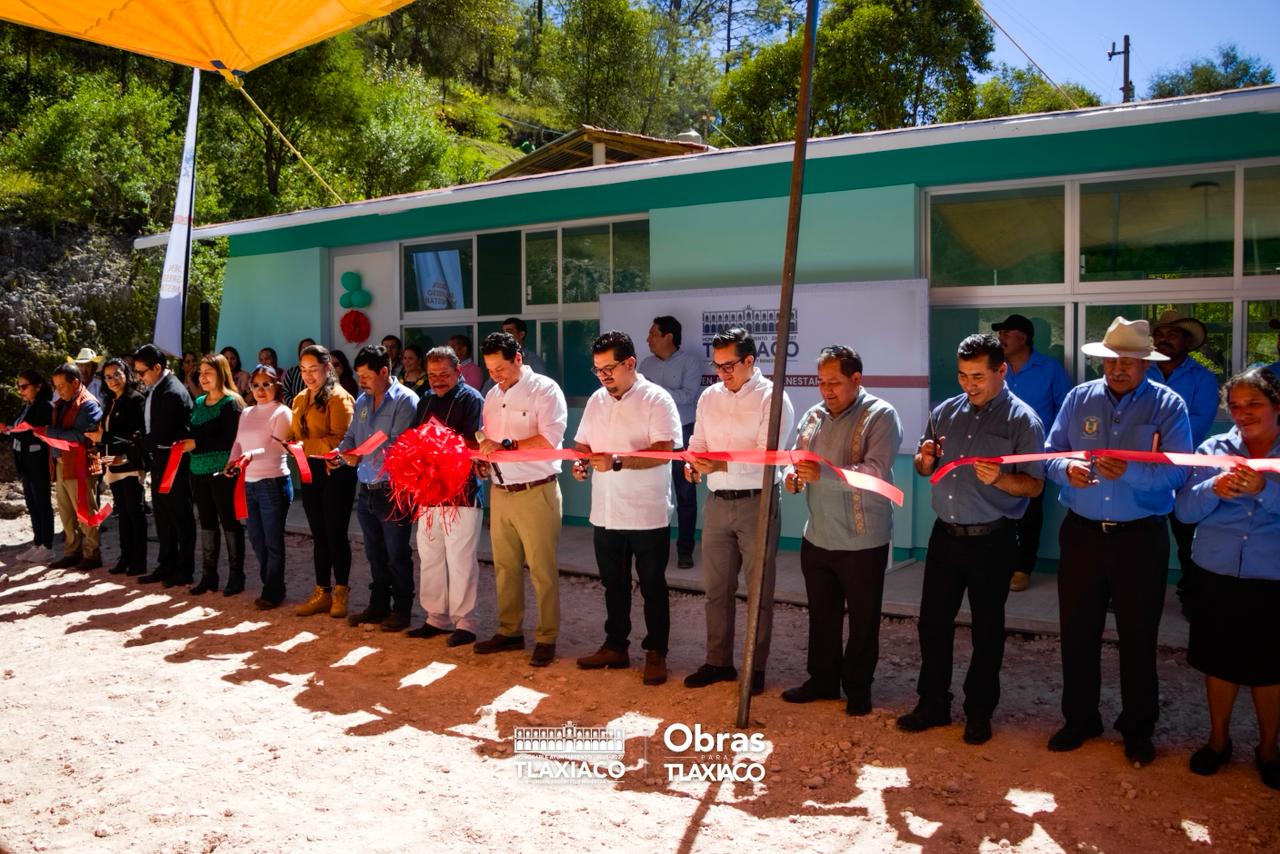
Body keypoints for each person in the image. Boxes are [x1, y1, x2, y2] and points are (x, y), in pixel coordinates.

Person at [1044, 316, 1192, 766]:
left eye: (1128, 361)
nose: (1117, 369)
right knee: (1078, 631)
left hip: (1139, 539)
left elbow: (1180, 470)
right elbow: (1050, 454)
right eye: (1110, 360)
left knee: (1138, 635)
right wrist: (1064, 469)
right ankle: (1081, 718)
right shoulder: (1078, 398)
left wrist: (1131, 470)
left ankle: (1137, 727)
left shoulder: (1169, 406)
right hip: (1083, 535)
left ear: (1145, 364)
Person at [898, 335, 1045, 744]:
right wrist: (924, 460)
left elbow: (1034, 487)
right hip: (945, 536)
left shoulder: (1022, 420)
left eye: (978, 376)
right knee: (933, 624)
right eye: (963, 375)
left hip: (991, 540)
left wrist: (1001, 477)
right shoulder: (945, 411)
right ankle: (932, 703)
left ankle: (979, 712)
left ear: (1002, 370)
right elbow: (925, 466)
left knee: (987, 630)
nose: (969, 384)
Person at [1174, 367, 1280, 788]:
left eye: (1253, 404)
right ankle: (1218, 741)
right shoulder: (1213, 449)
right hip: (1216, 572)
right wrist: (1212, 489)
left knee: (1271, 668)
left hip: (1271, 575)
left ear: (1277, 405)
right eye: (1234, 406)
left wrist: (1263, 490)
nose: (1242, 413)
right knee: (1218, 662)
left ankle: (1269, 749)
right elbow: (1183, 511)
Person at [781, 345, 901, 714]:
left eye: (835, 382)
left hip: (863, 539)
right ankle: (823, 681)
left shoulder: (881, 415)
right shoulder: (813, 416)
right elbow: (794, 458)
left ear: (856, 379)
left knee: (863, 619)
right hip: (817, 534)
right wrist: (791, 477)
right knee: (822, 615)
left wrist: (824, 475)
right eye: (821, 382)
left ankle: (859, 688)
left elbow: (875, 472)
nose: (826, 390)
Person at [683, 327, 794, 694]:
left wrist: (720, 466)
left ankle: (755, 668)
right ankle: (718, 662)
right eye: (717, 366)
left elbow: (768, 457)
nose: (722, 373)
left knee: (758, 589)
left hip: (757, 502)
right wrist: (694, 463)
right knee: (716, 589)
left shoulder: (773, 398)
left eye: (729, 366)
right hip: (716, 502)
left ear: (750, 360)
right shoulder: (709, 398)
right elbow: (698, 441)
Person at [573, 331, 682, 685]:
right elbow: (582, 443)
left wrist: (618, 461)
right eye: (597, 370)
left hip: (646, 511)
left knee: (652, 585)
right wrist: (581, 463)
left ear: (630, 363)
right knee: (613, 584)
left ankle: (656, 652)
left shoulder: (657, 398)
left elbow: (665, 449)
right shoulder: (596, 400)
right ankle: (615, 646)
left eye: (610, 368)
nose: (604, 376)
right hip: (605, 510)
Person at [475, 331, 568, 667]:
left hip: (536, 489)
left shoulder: (545, 389)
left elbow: (551, 439)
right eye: (489, 369)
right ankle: (510, 630)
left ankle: (547, 637)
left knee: (542, 570)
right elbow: (488, 437)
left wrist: (506, 447)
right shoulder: (490, 395)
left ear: (518, 359)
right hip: (500, 491)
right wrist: (486, 460)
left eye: (500, 368)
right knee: (504, 567)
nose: (494, 375)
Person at [405, 346, 485, 647]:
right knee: (430, 556)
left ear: (458, 372)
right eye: (433, 375)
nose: (438, 380)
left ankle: (466, 622)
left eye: (444, 375)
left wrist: (441, 440)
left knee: (461, 559)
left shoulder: (472, 399)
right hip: (428, 492)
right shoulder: (424, 400)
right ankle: (435, 617)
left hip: (461, 493)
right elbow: (413, 438)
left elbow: (476, 442)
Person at [337, 344, 420, 630]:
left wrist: (361, 451)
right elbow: (350, 436)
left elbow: (398, 444)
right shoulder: (361, 401)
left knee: (397, 552)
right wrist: (341, 453)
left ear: (384, 371)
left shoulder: (406, 400)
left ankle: (403, 610)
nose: (362, 381)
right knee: (374, 552)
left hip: (394, 489)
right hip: (367, 486)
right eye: (359, 375)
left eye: (367, 375)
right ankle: (378, 605)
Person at [1147, 310, 1221, 613]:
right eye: (1160, 334)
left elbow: (1199, 423)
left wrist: (1151, 436)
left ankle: (1191, 595)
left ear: (1187, 342)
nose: (1164, 340)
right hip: (1145, 469)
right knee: (1143, 536)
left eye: (1172, 335)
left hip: (1185, 470)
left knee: (1186, 535)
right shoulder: (1141, 371)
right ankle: (1137, 593)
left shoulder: (1203, 378)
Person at [992, 314, 1069, 593]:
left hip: (1035, 454)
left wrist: (1054, 448)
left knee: (1029, 512)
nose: (1001, 338)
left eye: (1006, 333)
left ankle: (1023, 567)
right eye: (999, 333)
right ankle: (999, 564)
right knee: (997, 510)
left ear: (1023, 337)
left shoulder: (1050, 369)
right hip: (997, 453)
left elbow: (1066, 411)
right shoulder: (996, 368)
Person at [290, 345, 357, 619]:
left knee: (335, 533)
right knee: (318, 534)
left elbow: (340, 440)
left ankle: (341, 591)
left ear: (327, 369)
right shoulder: (299, 398)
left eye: (313, 369)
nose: (308, 375)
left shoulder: (340, 398)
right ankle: (322, 591)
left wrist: (301, 445)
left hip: (336, 471)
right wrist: (291, 445)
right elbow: (294, 432)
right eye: (303, 370)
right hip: (310, 470)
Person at [640, 316, 704, 569]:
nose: (648, 339)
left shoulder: (690, 362)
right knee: (654, 492)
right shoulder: (644, 364)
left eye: (653, 334)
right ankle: (655, 550)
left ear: (669, 336)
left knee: (685, 494)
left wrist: (656, 391)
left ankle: (685, 550)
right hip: (651, 436)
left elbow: (688, 396)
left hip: (684, 434)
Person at [229, 364, 294, 609]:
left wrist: (249, 455)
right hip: (249, 482)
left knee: (272, 540)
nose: (260, 389)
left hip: (273, 482)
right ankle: (271, 582)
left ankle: (273, 589)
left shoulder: (282, 412)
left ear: (276, 385)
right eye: (255, 385)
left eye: (266, 384)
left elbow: (277, 446)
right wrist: (232, 462)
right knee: (256, 538)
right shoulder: (246, 413)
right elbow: (238, 443)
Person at [183, 354, 246, 595]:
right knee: (207, 522)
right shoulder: (199, 402)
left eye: (208, 372)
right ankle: (209, 575)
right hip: (198, 471)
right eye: (200, 373)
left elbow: (229, 440)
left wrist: (196, 444)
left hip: (223, 472)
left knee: (229, 522)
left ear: (221, 373)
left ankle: (236, 575)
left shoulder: (232, 403)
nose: (203, 377)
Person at [133, 344, 195, 586]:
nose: (139, 377)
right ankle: (166, 564)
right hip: (159, 460)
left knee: (180, 516)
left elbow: (162, 433)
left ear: (157, 368)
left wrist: (140, 444)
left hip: (174, 460)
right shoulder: (155, 387)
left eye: (142, 372)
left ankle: (184, 569)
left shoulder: (172, 391)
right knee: (162, 515)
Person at [86, 358, 148, 576]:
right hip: (112, 463)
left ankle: (139, 561)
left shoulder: (136, 399)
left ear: (127, 373)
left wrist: (104, 436)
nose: (113, 380)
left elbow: (136, 436)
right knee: (123, 513)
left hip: (130, 463)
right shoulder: (111, 401)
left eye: (117, 374)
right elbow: (109, 435)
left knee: (135, 512)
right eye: (108, 376)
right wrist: (98, 440)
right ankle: (125, 557)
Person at [45, 363, 103, 570]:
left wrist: (48, 433)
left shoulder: (89, 404)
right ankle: (72, 551)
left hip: (80, 464)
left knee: (86, 510)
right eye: (56, 386)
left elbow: (80, 436)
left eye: (62, 385)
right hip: (61, 463)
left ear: (76, 383)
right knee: (66, 511)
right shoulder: (62, 402)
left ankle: (92, 554)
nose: (58, 390)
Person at [10, 370, 55, 564]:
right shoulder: (27, 406)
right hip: (25, 462)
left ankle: (47, 545)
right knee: (32, 503)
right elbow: (15, 427)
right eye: (18, 386)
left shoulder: (44, 406)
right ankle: (37, 543)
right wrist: (12, 429)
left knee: (42, 503)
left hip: (38, 462)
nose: (21, 391)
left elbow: (33, 432)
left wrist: (13, 431)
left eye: (24, 386)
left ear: (37, 386)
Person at [281, 337, 315, 403]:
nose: (307, 351)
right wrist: (296, 406)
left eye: (310, 348)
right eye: (304, 349)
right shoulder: (291, 372)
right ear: (299, 353)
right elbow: (284, 392)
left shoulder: (319, 372)